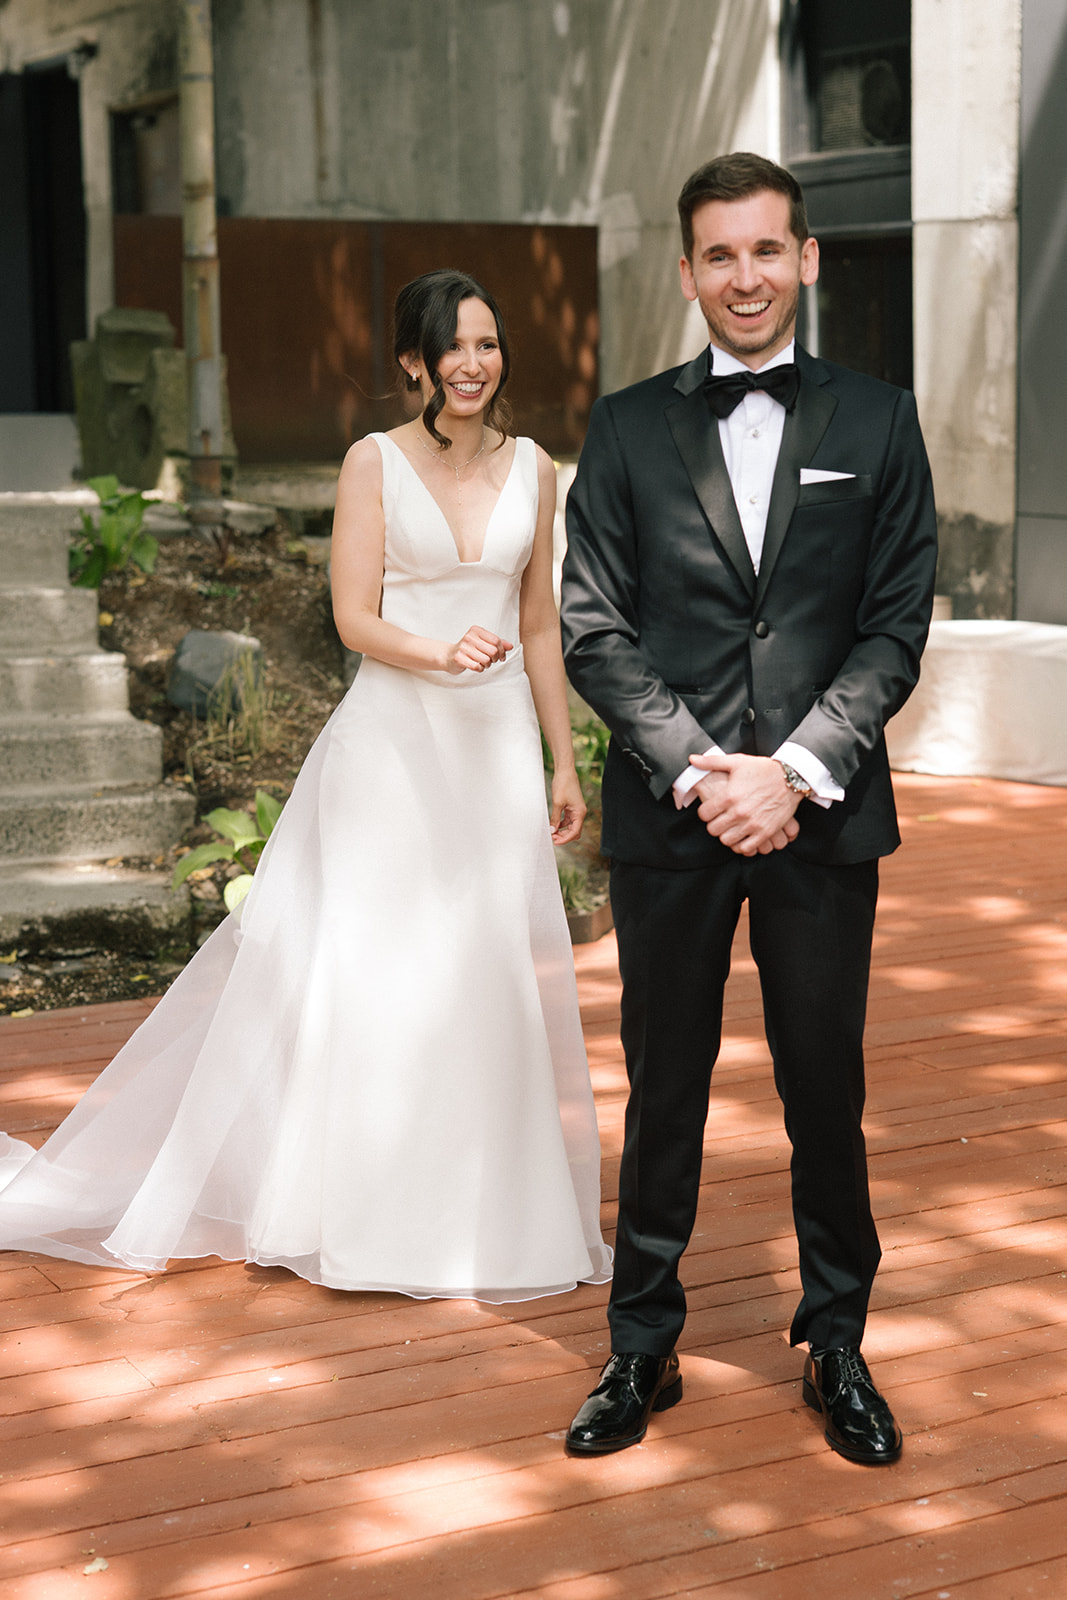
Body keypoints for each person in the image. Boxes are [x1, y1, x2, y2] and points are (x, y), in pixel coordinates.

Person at [0, 268, 611, 1305]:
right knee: (379, 969)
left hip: (494, 743)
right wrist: (436, 650)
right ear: (413, 361)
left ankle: (487, 1211)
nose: (474, 363)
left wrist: (560, 757)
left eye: (488, 343)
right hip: (392, 743)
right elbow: (352, 619)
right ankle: (355, 1209)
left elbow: (540, 625)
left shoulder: (538, 468)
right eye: (452, 347)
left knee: (483, 967)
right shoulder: (371, 462)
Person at [559, 153, 937, 1462]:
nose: (743, 277)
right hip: (671, 816)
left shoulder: (880, 421)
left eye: (764, 250)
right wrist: (704, 770)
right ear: (685, 273)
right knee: (660, 1089)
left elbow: (891, 626)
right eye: (717, 256)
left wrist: (795, 769)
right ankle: (637, 1348)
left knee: (820, 1091)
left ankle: (835, 1342)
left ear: (807, 259)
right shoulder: (620, 429)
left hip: (820, 817)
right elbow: (593, 629)